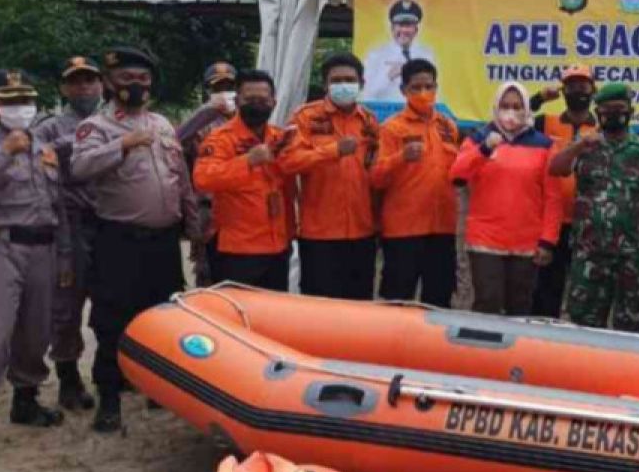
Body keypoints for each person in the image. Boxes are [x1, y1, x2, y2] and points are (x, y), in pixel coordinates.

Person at [71, 46, 202, 433]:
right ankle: (109, 399)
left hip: (163, 242)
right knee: (112, 320)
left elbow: (181, 180)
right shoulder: (97, 127)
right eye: (127, 78)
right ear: (110, 83)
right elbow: (79, 167)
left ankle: (158, 389)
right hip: (119, 241)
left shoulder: (162, 124)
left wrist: (193, 227)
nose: (135, 85)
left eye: (142, 79)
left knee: (163, 318)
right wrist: (122, 146)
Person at [0, 70, 69, 456]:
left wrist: (64, 254)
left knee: (37, 330)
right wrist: (5, 154)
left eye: (26, 101)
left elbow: (59, 205)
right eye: (10, 101)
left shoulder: (44, 148)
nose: (20, 109)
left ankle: (26, 399)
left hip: (43, 248)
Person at [549, 82, 639, 331]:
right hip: (590, 254)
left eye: (619, 108)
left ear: (630, 111)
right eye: (606, 110)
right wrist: (578, 146)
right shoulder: (585, 146)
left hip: (632, 255)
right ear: (598, 113)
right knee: (584, 328)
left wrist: (638, 222)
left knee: (631, 328)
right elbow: (556, 168)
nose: (612, 114)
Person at [449, 82, 563, 316]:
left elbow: (553, 197)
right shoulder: (477, 139)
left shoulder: (544, 145)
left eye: (517, 106)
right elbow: (457, 175)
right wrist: (484, 150)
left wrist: (548, 240)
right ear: (496, 107)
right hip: (485, 240)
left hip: (526, 243)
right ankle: (481, 352)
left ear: (527, 109)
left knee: (519, 307)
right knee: (487, 302)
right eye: (505, 105)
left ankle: (515, 353)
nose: (511, 111)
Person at [278, 52, 381, 300]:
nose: (344, 85)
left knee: (359, 304)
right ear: (325, 85)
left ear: (361, 83)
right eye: (337, 80)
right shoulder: (304, 117)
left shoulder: (369, 121)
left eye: (350, 79)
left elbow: (375, 171)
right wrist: (332, 150)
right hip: (319, 234)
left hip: (362, 232)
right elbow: (288, 162)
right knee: (319, 309)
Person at [32, 56, 104, 411]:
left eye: (90, 80)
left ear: (102, 85)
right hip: (69, 223)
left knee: (112, 301)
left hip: (111, 222)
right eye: (75, 82)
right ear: (64, 88)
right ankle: (69, 378)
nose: (84, 87)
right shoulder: (47, 128)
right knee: (66, 304)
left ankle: (115, 372)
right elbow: (35, 164)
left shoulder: (115, 122)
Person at [193, 69, 296, 291]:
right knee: (237, 317)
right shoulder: (221, 138)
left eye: (263, 99)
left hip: (278, 246)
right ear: (238, 101)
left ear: (274, 102)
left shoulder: (280, 138)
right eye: (250, 99)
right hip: (239, 250)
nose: (257, 104)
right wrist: (247, 161)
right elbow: (203, 179)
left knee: (274, 316)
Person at [369, 59, 460, 307]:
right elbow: (376, 178)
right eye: (416, 87)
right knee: (397, 300)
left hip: (442, 228)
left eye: (428, 86)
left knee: (439, 300)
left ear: (436, 87)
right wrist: (401, 158)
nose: (423, 93)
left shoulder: (448, 126)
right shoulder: (392, 128)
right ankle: (392, 346)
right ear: (403, 90)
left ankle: (436, 347)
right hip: (403, 230)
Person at [529, 65, 599, 317]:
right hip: (551, 224)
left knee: (587, 290)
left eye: (583, 86)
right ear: (563, 90)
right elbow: (509, 121)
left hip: (589, 224)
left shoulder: (603, 127)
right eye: (571, 86)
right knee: (545, 289)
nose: (577, 91)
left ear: (593, 90)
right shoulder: (544, 122)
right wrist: (538, 99)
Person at [176, 61, 239, 287]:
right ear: (208, 90)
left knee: (239, 269)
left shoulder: (248, 117)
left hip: (241, 206)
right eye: (217, 87)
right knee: (207, 272)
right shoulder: (200, 122)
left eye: (229, 85)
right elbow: (175, 142)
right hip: (207, 207)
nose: (224, 91)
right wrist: (205, 114)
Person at [362, 0, 436, 104]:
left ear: (416, 30)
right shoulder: (376, 55)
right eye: (400, 25)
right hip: (385, 114)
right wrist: (388, 76)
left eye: (409, 26)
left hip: (418, 114)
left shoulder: (426, 54)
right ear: (392, 28)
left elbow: (433, 91)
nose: (404, 30)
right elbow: (367, 93)